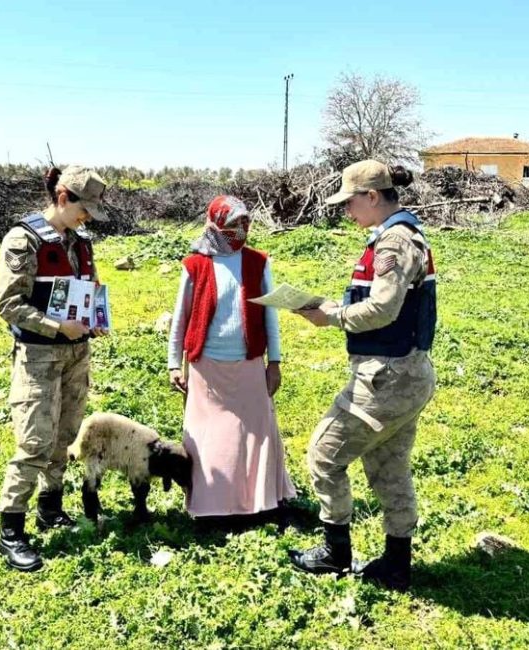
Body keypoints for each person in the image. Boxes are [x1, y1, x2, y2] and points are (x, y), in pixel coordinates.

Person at [288, 160, 437, 591]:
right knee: (389, 465)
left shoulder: (392, 241)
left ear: (372, 196)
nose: (347, 212)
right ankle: (396, 563)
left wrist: (333, 318)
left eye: (350, 202)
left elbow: (384, 308)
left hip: (386, 378)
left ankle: (336, 553)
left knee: (324, 454)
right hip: (406, 374)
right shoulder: (403, 234)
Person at [0, 165, 110, 572]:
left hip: (77, 355)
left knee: (65, 434)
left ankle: (50, 506)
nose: (88, 217)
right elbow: (9, 305)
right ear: (63, 198)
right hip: (40, 356)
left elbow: (88, 290)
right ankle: (11, 531)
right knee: (34, 442)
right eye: (84, 208)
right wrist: (58, 327)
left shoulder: (80, 242)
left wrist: (95, 318)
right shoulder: (22, 240)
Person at [168, 195, 297, 522]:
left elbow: (270, 316)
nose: (243, 229)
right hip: (206, 366)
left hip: (249, 362)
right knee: (211, 435)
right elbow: (180, 319)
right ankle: (212, 507)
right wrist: (173, 363)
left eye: (246, 222)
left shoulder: (257, 262)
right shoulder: (195, 264)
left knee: (256, 430)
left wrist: (275, 362)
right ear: (217, 225)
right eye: (235, 223)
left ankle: (258, 502)